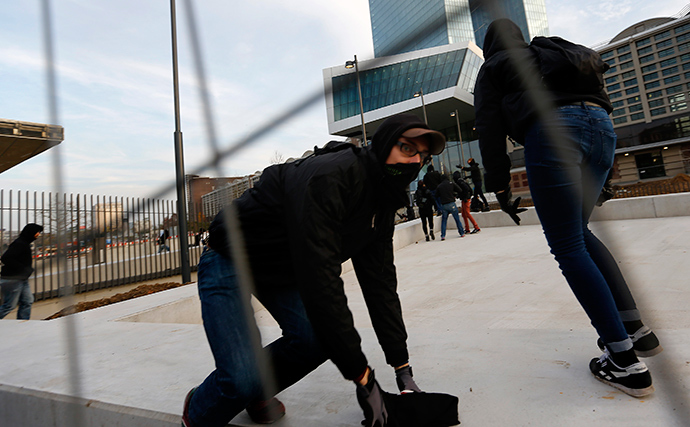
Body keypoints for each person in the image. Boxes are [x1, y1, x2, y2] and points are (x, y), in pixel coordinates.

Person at [181, 114, 450, 427]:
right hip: (230, 257)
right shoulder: (330, 177)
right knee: (239, 379)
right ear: (384, 144)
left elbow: (380, 286)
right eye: (406, 148)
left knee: (315, 341)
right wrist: (364, 379)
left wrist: (402, 369)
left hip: (280, 267)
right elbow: (321, 283)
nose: (415, 160)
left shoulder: (382, 203)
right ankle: (200, 409)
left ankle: (257, 390)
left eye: (422, 155)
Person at [473, 18, 661, 398]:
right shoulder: (553, 54)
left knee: (567, 244)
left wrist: (498, 186)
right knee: (580, 232)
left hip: (553, 131)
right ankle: (638, 330)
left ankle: (623, 360)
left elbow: (489, 127)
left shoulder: (494, 65)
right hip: (602, 126)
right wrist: (603, 179)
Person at [0, 223, 43, 320]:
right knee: (9, 306)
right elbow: (6, 258)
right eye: (37, 232)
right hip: (12, 279)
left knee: (27, 301)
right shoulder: (20, 244)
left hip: (21, 279)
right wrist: (24, 269)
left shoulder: (24, 243)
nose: (38, 234)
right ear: (31, 232)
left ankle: (23, 323)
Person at [434, 175, 465, 241]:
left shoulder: (439, 186)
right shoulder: (451, 183)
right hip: (452, 203)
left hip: (444, 205)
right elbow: (460, 190)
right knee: (457, 219)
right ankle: (461, 232)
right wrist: (454, 195)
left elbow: (436, 195)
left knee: (444, 221)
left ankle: (443, 235)